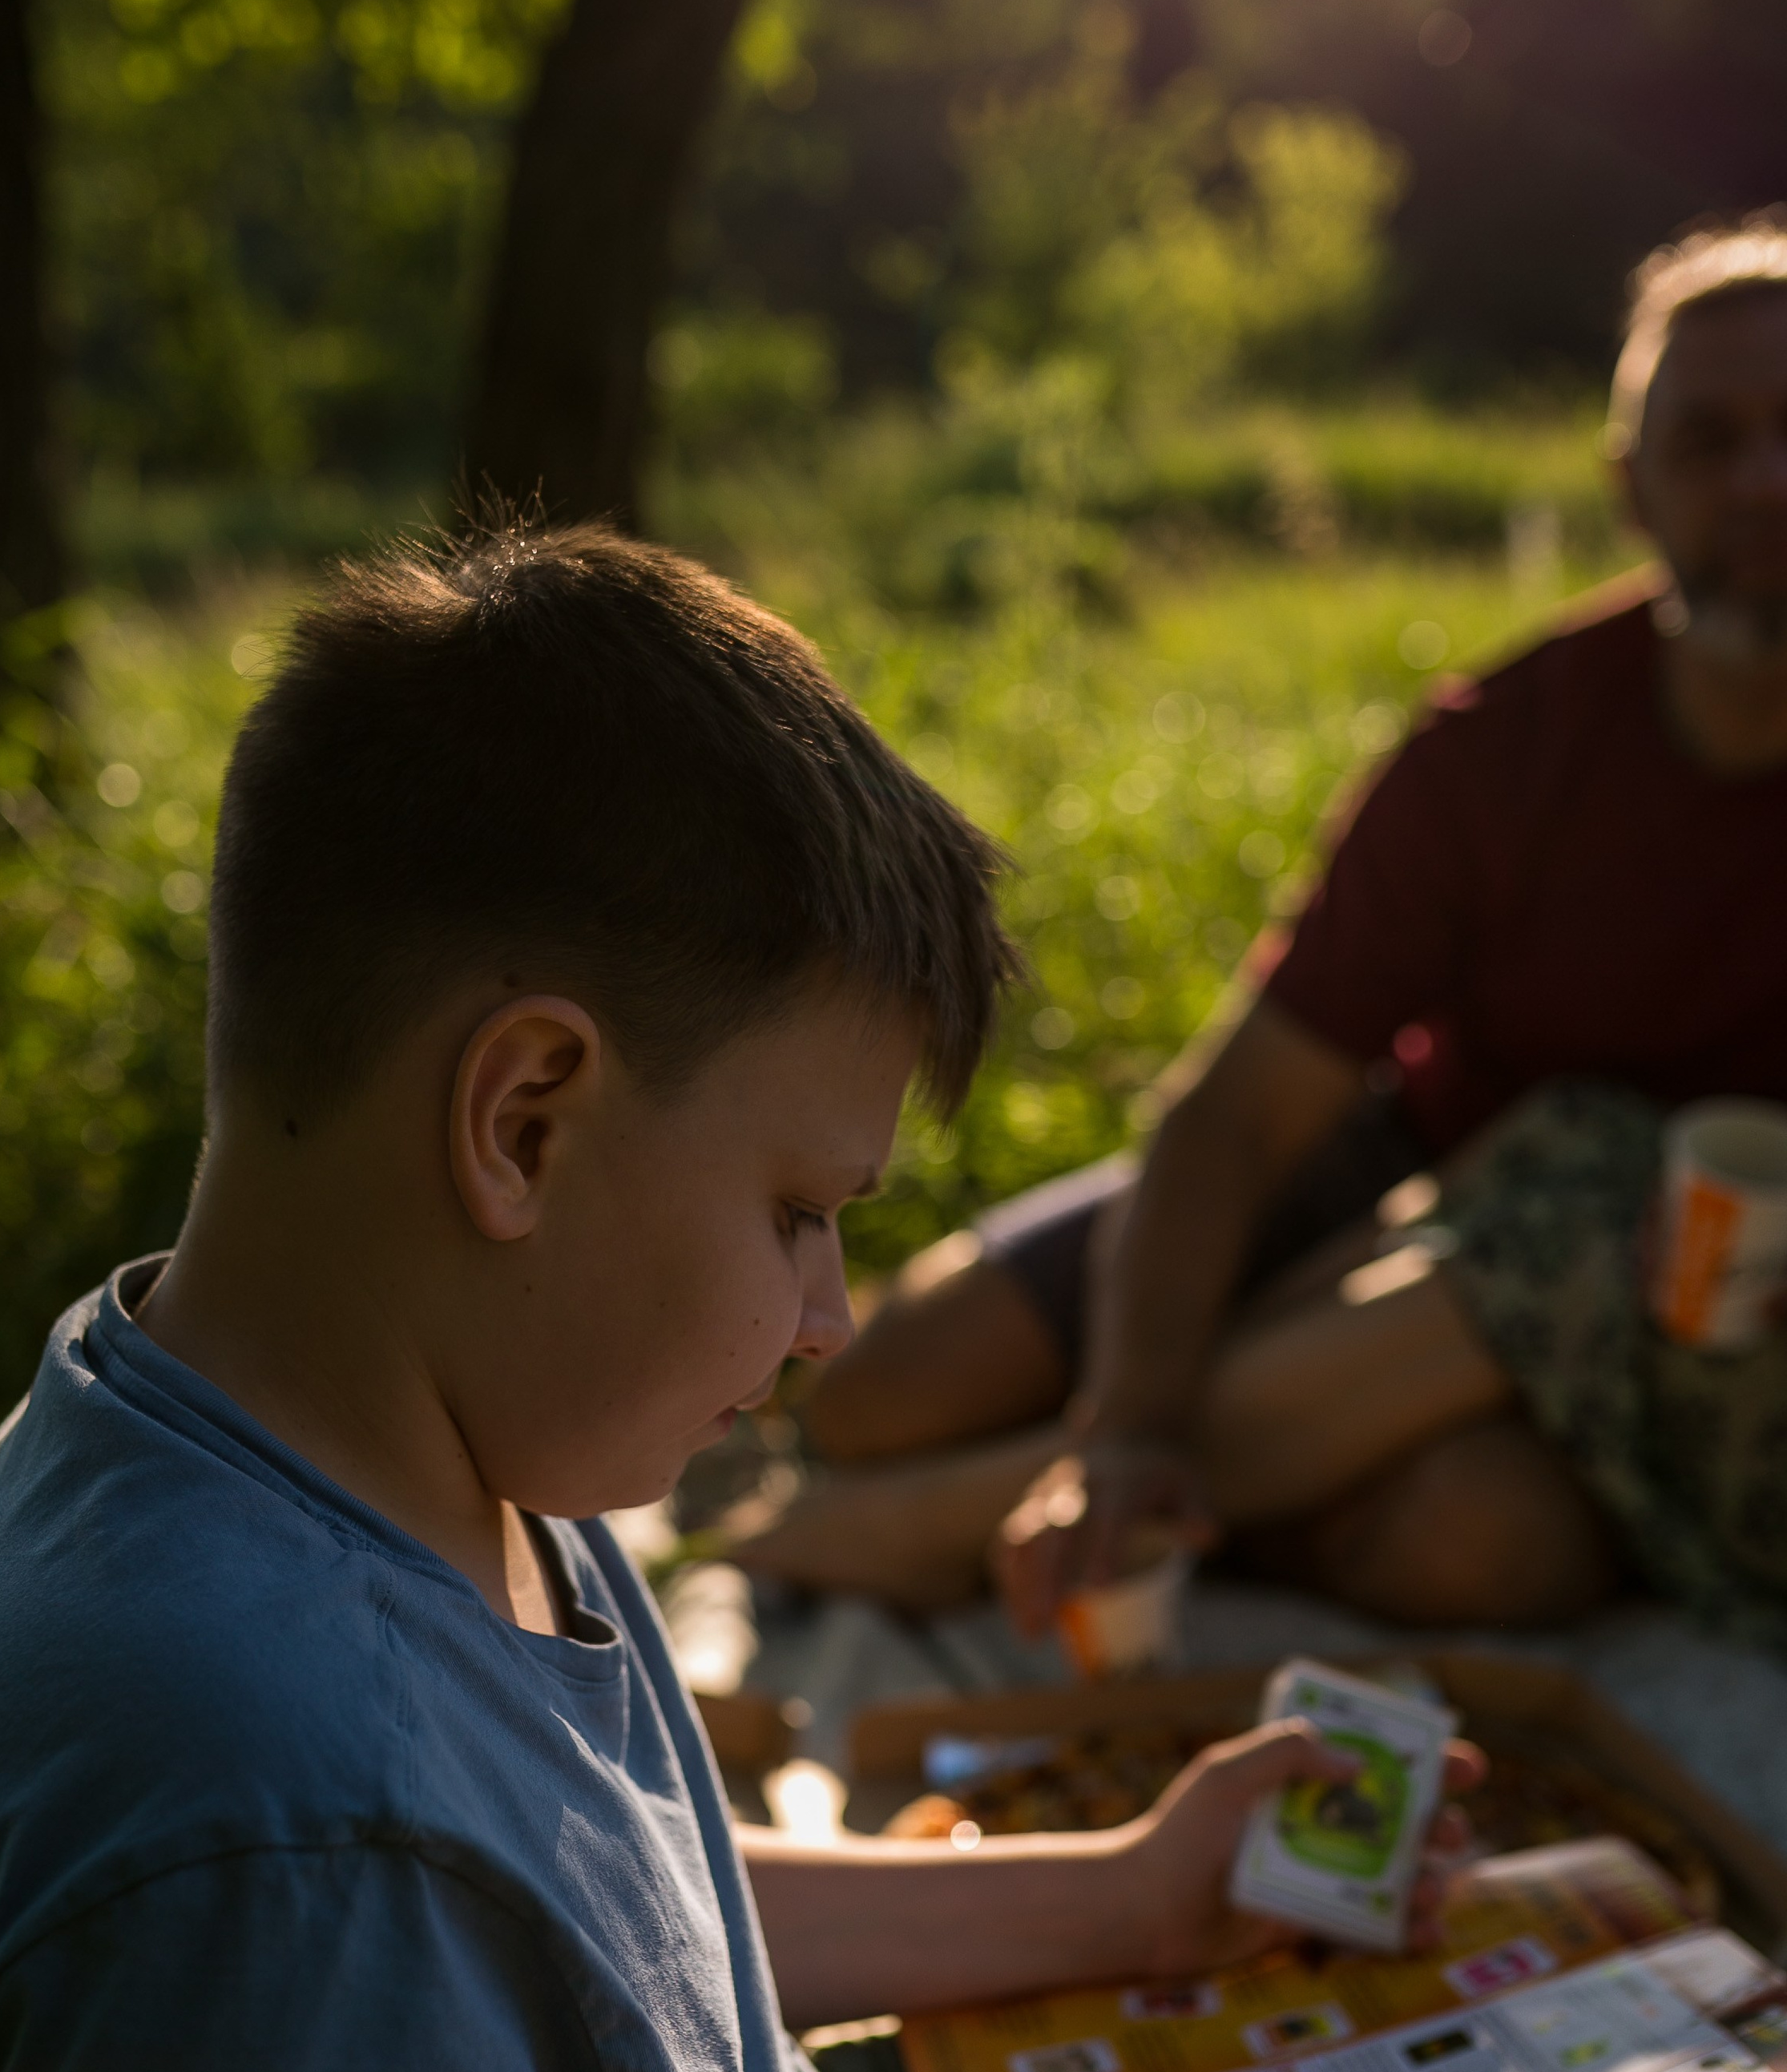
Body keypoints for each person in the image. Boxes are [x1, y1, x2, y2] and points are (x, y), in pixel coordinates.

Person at [0, 527, 1787, 2072]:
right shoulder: (272, 1859)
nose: (831, 1317)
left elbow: (593, 1930)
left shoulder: (339, 1421)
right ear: (524, 1118)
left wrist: (1131, 1891)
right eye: (801, 1215)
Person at [760, 218, 1787, 1644]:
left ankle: (959, 1520)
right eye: (1711, 441)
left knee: (1480, 1543)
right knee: (878, 1392)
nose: (1766, 483)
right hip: (1415, 1176)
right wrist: (1130, 1422)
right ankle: (1177, 1470)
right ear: (1629, 485)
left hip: (1699, 1322)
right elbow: (1239, 1115)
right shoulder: (1511, 749)